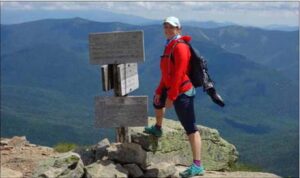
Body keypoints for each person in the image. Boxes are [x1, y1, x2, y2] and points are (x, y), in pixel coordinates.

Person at [144, 16, 205, 177]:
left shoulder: (180, 47)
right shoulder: (169, 45)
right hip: (171, 86)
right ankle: (157, 128)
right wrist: (159, 90)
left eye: (171, 27)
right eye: (165, 26)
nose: (168, 29)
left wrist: (171, 95)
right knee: (157, 102)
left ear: (179, 29)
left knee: (190, 128)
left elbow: (179, 73)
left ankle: (197, 165)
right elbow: (167, 73)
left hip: (182, 91)